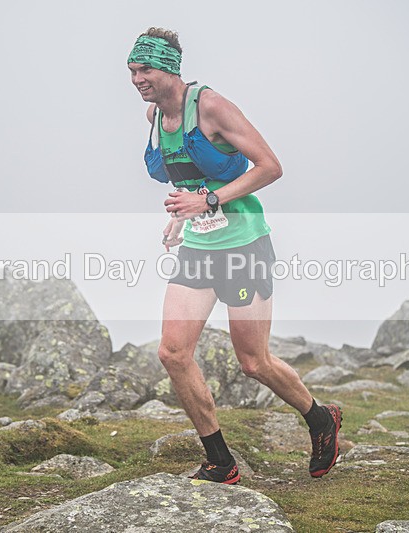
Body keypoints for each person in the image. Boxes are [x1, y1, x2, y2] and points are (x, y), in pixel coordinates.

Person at [127, 27, 342, 484]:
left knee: (253, 362)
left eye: (145, 69)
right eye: (131, 70)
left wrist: (207, 202)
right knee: (172, 353)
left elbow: (271, 166)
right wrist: (183, 216)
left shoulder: (209, 106)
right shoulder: (153, 115)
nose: (137, 78)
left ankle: (320, 419)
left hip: (245, 245)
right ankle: (220, 460)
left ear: (168, 67)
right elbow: (188, 177)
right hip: (200, 249)